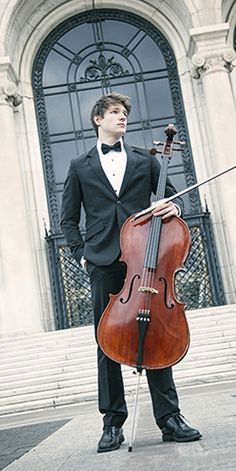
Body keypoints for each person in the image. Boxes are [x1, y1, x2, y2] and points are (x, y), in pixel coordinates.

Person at [61, 92, 201, 453]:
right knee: (106, 342)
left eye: (124, 113)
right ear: (98, 119)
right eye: (114, 112)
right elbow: (68, 220)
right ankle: (112, 424)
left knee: (154, 334)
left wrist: (173, 209)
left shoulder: (145, 159)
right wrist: (82, 256)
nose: (121, 117)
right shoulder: (79, 166)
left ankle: (169, 418)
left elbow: (175, 198)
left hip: (148, 259)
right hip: (104, 262)